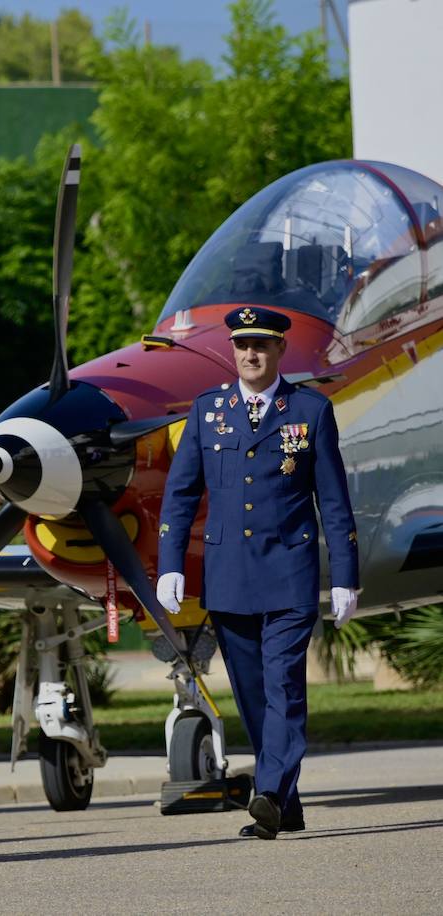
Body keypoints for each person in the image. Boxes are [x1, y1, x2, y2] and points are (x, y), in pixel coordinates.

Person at [156, 306, 359, 841]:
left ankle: (267, 793)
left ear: (279, 352)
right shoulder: (207, 411)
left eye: (262, 346)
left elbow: (333, 501)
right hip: (229, 577)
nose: (251, 354)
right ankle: (286, 804)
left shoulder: (310, 411)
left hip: (289, 572)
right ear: (233, 351)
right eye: (243, 345)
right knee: (252, 695)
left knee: (284, 687)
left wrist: (345, 573)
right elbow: (180, 496)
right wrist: (171, 565)